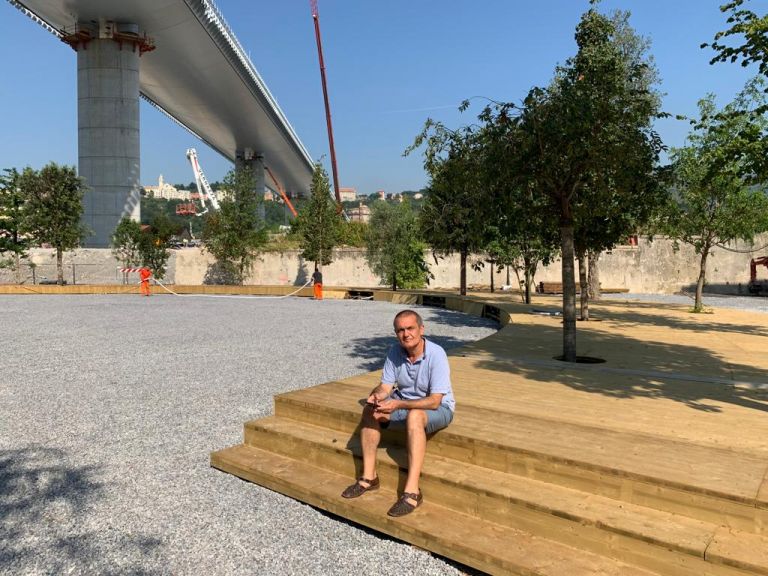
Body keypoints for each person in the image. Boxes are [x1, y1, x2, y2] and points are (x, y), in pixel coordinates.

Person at [341, 309, 454, 517]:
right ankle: (369, 477)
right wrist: (376, 397)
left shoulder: (436, 354)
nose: (406, 334)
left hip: (438, 409)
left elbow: (434, 401)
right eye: (400, 330)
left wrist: (398, 405)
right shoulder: (395, 351)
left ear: (421, 329)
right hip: (405, 405)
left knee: (415, 415)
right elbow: (385, 387)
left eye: (410, 328)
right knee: (369, 411)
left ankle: (412, 491)